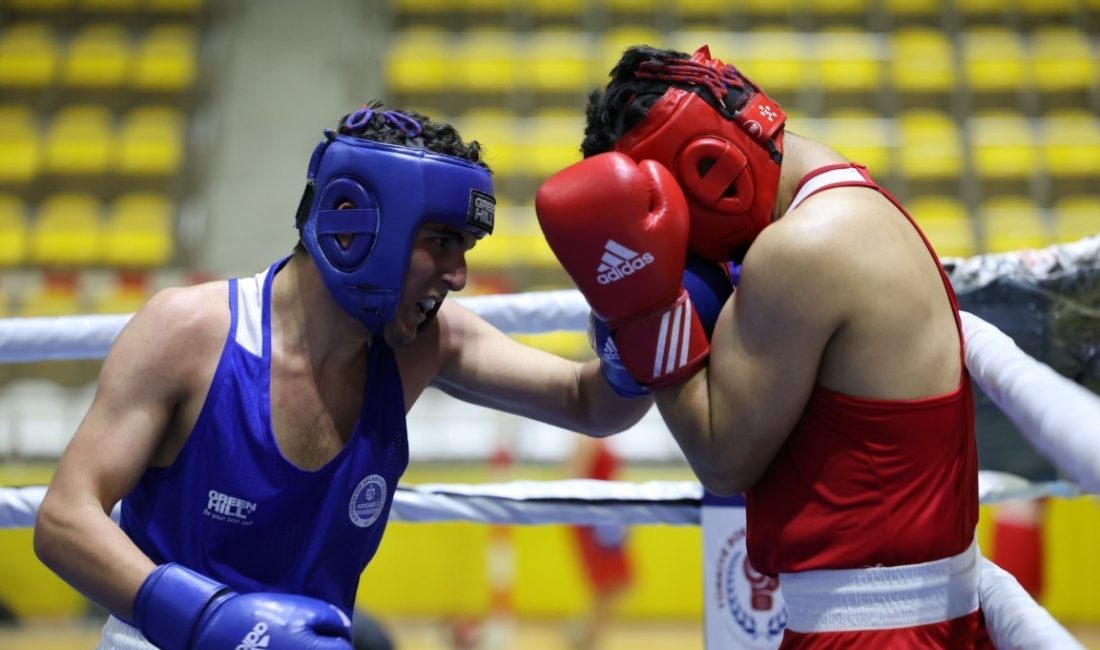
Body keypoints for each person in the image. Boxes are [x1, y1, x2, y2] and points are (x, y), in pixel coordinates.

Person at [31, 102, 654, 650]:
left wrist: (648, 317)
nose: (457, 274)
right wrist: (208, 622)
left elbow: (588, 402)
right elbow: (64, 520)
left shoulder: (424, 346)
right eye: (440, 241)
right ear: (357, 226)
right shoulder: (190, 332)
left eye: (464, 249)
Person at [535, 45, 992, 647]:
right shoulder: (849, 198)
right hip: (910, 613)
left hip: (872, 629)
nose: (691, 253)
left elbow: (722, 460)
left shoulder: (799, 250)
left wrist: (647, 306)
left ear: (707, 170)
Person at [565, 437, 633, 650]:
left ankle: (587, 632)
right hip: (593, 522)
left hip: (608, 519)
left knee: (615, 582)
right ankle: (587, 634)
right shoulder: (585, 441)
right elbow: (574, 480)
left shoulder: (603, 438)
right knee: (605, 582)